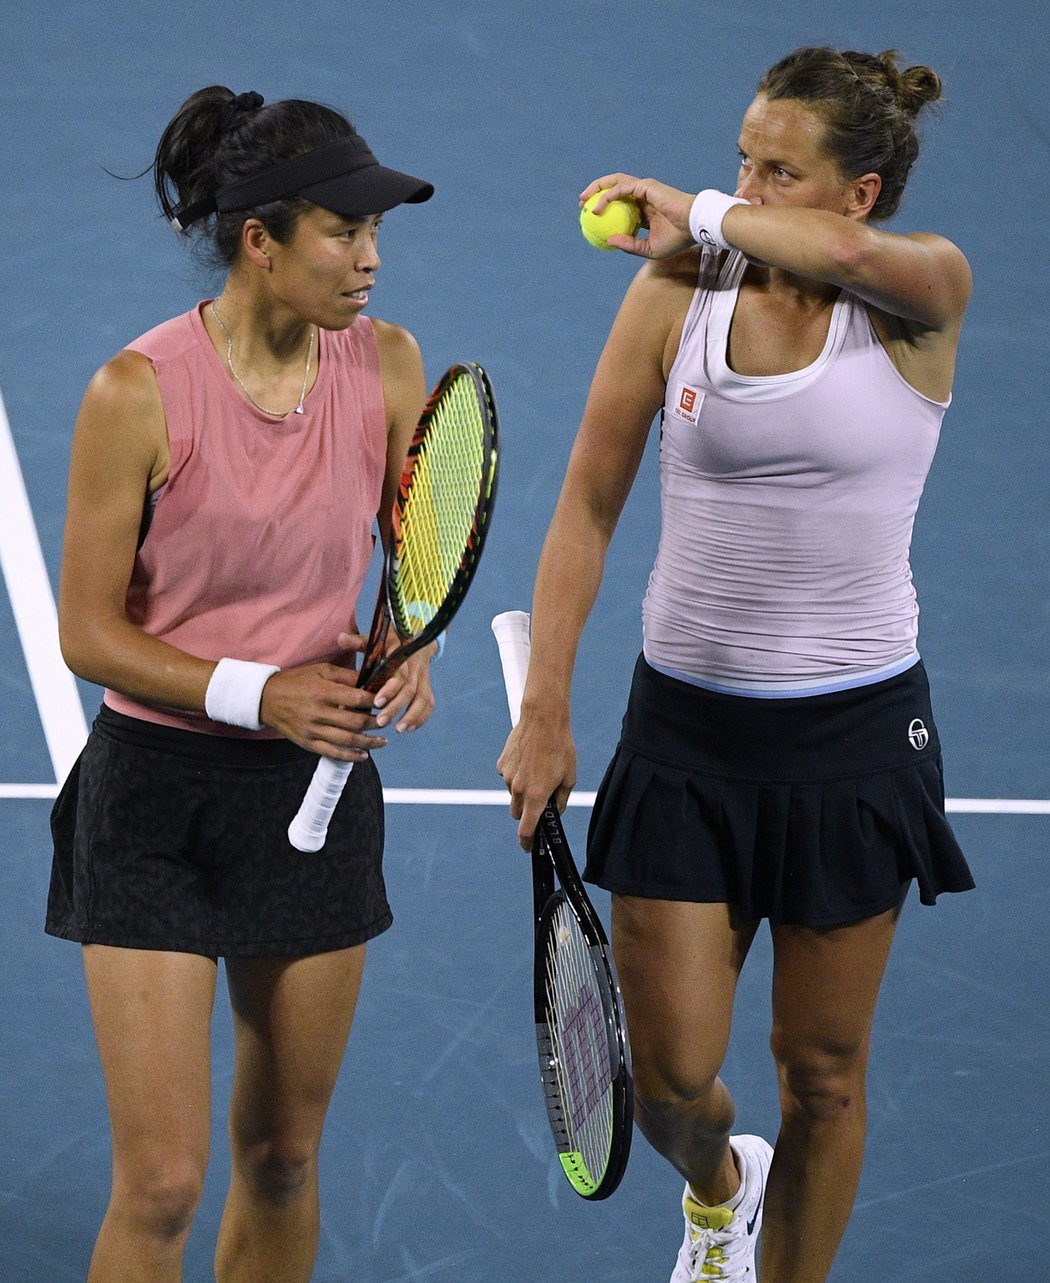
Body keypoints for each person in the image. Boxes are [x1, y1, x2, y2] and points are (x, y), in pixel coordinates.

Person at [498, 46, 975, 1283]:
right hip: (687, 741)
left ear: (859, 192)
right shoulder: (675, 291)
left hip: (854, 743)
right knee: (668, 1083)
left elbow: (865, 268)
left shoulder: (923, 288)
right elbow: (587, 506)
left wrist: (703, 208)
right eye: (740, 160)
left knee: (821, 1074)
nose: (746, 186)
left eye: (781, 170)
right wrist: (545, 707)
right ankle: (720, 1190)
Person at [45, 86, 437, 1282]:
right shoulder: (138, 391)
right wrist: (255, 690)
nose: (371, 260)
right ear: (260, 242)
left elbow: (415, 556)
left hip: (313, 797)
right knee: (162, 1181)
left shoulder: (389, 365)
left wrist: (411, 644)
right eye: (344, 234)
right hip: (155, 798)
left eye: (378, 235)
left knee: (280, 1155)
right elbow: (84, 633)